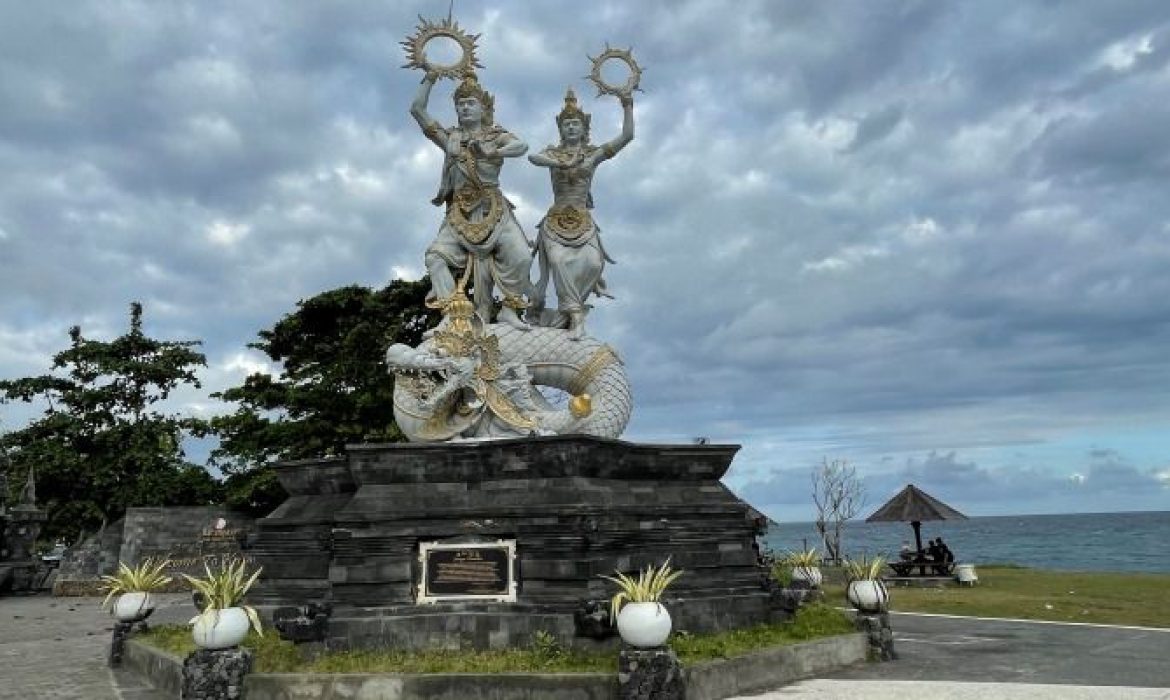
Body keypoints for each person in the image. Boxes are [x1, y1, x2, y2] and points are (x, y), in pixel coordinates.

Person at [410, 70, 533, 330]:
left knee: (522, 257)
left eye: (470, 103)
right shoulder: (450, 139)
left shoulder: (495, 135)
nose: (464, 108)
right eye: (460, 104)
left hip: (493, 210)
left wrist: (493, 150)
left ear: (483, 108)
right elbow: (417, 110)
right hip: (460, 214)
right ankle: (453, 316)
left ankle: (510, 308)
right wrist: (430, 77)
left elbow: (522, 146)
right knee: (435, 258)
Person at [528, 88, 634, 339]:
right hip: (555, 221)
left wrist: (627, 105)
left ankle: (567, 313)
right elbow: (533, 157)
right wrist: (559, 162)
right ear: (561, 129)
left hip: (583, 221)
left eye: (575, 123)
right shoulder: (552, 153)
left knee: (595, 264)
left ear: (584, 128)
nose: (571, 127)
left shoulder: (592, 154)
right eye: (567, 124)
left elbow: (628, 136)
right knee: (557, 261)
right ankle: (575, 316)